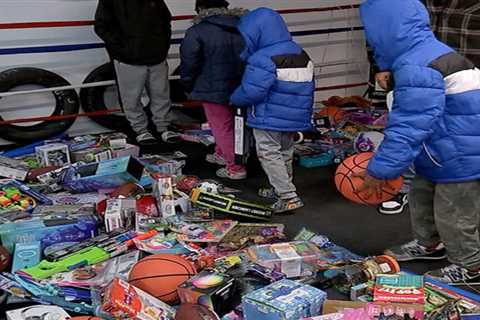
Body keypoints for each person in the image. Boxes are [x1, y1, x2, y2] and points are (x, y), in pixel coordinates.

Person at [359, 0, 480, 285]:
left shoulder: (419, 66)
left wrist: (381, 169)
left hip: (460, 155)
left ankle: (470, 266)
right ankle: (429, 244)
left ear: (384, 30)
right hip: (440, 149)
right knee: (421, 195)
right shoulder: (422, 54)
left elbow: (410, 124)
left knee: (455, 213)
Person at [230, 8, 315, 213]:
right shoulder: (299, 52)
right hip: (295, 116)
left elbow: (252, 92)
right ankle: (281, 187)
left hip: (268, 117)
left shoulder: (263, 57)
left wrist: (234, 98)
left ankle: (287, 195)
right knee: (285, 151)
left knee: (269, 153)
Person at [180, 0, 247, 180]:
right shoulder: (243, 26)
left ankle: (236, 168)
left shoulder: (197, 31)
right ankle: (223, 154)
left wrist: (187, 85)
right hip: (245, 84)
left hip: (212, 87)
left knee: (222, 127)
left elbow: (189, 63)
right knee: (239, 125)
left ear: (200, 10)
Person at [94, 0, 172, 146]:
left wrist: (162, 47)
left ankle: (163, 128)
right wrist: (123, 49)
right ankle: (140, 130)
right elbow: (101, 26)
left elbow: (166, 20)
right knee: (131, 98)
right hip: (128, 59)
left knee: (161, 94)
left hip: (156, 56)